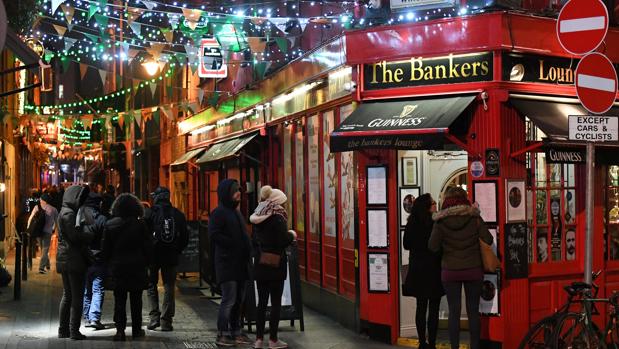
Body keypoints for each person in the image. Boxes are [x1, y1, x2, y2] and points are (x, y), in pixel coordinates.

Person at [428, 187, 493, 349]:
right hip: (473, 269)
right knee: (473, 311)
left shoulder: (441, 221)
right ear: (465, 199)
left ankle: (455, 347)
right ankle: (475, 346)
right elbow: (489, 239)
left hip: (450, 271)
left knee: (454, 311)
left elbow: (432, 246)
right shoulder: (474, 218)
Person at [250, 186, 296, 349]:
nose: (284, 206)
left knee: (261, 303)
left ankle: (258, 340)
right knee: (275, 303)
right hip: (276, 266)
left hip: (261, 265)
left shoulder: (257, 216)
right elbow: (282, 240)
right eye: (283, 202)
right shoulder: (278, 218)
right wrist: (292, 234)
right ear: (277, 202)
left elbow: (254, 241)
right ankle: (273, 340)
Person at [102, 193, 152, 341]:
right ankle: (136, 330)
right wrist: (148, 263)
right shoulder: (140, 224)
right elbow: (147, 247)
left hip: (118, 268)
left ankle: (120, 331)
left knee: (119, 300)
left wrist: (107, 265)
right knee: (137, 300)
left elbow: (105, 249)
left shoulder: (110, 225)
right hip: (137, 267)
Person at [208, 179, 253, 347]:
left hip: (240, 264)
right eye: (235, 191)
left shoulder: (236, 212)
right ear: (226, 193)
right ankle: (223, 333)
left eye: (239, 190)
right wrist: (233, 243)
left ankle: (236, 331)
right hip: (227, 264)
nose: (238, 193)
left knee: (239, 300)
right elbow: (214, 235)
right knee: (229, 299)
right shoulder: (219, 213)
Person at [145, 187, 189, 332]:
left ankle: (154, 318)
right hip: (171, 255)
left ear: (157, 197)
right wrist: (177, 250)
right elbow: (185, 237)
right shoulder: (178, 214)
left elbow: (143, 234)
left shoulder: (150, 213)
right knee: (169, 286)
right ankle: (166, 321)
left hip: (153, 255)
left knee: (151, 285)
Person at [403, 194, 443, 349]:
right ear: (427, 206)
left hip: (418, 270)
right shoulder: (435, 223)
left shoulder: (412, 223)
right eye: (433, 203)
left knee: (421, 307)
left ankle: (422, 342)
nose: (435, 205)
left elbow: (406, 244)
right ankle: (432, 343)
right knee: (434, 308)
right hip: (434, 270)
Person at [56, 185, 93, 340]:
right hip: (73, 259)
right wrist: (88, 234)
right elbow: (75, 237)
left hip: (65, 258)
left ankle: (63, 330)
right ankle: (73, 330)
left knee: (68, 295)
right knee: (76, 296)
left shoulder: (63, 212)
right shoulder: (69, 214)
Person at [81, 192, 108, 330]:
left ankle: (86, 317)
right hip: (99, 258)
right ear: (99, 204)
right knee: (98, 289)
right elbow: (106, 240)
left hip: (84, 258)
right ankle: (95, 318)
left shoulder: (80, 217)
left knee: (86, 289)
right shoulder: (102, 219)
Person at [28, 193, 59, 274]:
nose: (40, 200)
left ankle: (47, 265)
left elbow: (31, 217)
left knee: (43, 250)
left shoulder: (37, 207)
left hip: (38, 231)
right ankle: (41, 268)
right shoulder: (53, 209)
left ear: (43, 200)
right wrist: (56, 231)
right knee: (45, 250)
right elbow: (57, 222)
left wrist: (28, 227)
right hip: (48, 232)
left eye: (41, 199)